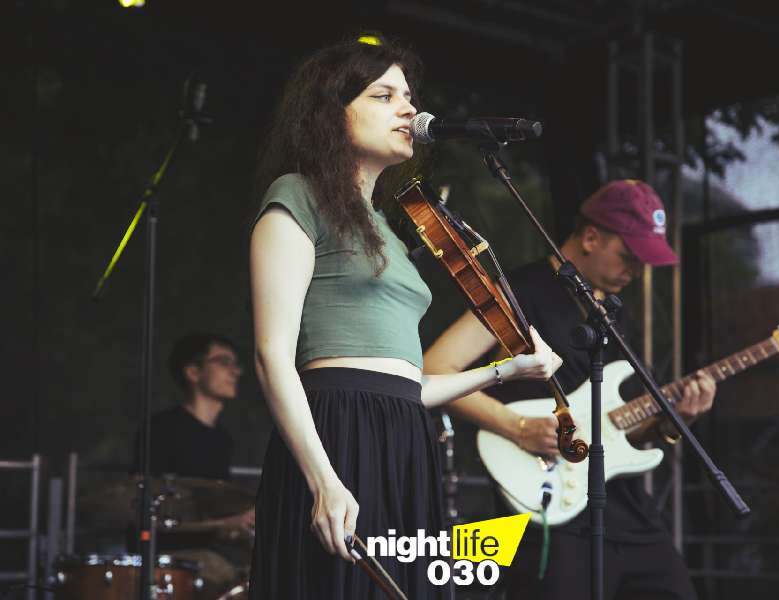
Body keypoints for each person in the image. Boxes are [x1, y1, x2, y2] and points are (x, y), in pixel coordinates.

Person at [247, 36, 562, 600]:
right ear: (330, 112)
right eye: (384, 95)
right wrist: (324, 481)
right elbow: (273, 357)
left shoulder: (387, 227)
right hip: (337, 427)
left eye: (409, 97)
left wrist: (506, 371)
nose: (408, 110)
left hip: (402, 432)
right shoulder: (297, 196)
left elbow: (404, 385)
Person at [424, 179, 717, 600]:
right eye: (628, 256)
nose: (635, 271)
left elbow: (615, 429)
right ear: (591, 237)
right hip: (553, 512)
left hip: (627, 512)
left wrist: (676, 423)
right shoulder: (521, 291)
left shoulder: (612, 311)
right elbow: (436, 366)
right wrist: (517, 425)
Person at [131, 332, 255, 599]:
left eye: (236, 364)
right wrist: (224, 524)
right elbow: (142, 508)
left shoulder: (222, 440)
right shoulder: (161, 430)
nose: (235, 371)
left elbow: (213, 505)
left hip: (212, 550)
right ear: (193, 372)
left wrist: (239, 524)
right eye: (223, 362)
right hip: (169, 555)